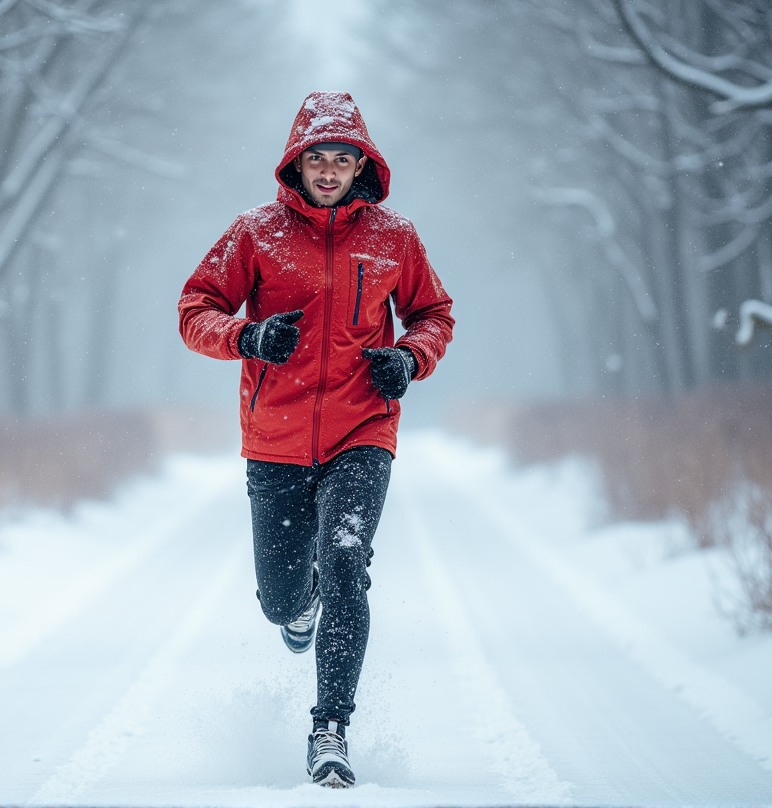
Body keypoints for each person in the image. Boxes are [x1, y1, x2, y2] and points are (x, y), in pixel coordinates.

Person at [177, 91, 455, 788]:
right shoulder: (255, 233)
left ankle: (330, 729)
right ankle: (297, 611)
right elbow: (195, 309)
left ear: (362, 164)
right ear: (295, 165)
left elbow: (433, 313)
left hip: (363, 430)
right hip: (274, 437)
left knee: (345, 562)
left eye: (342, 159)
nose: (329, 171)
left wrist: (409, 358)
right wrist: (248, 335)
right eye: (317, 159)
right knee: (280, 600)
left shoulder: (395, 236)